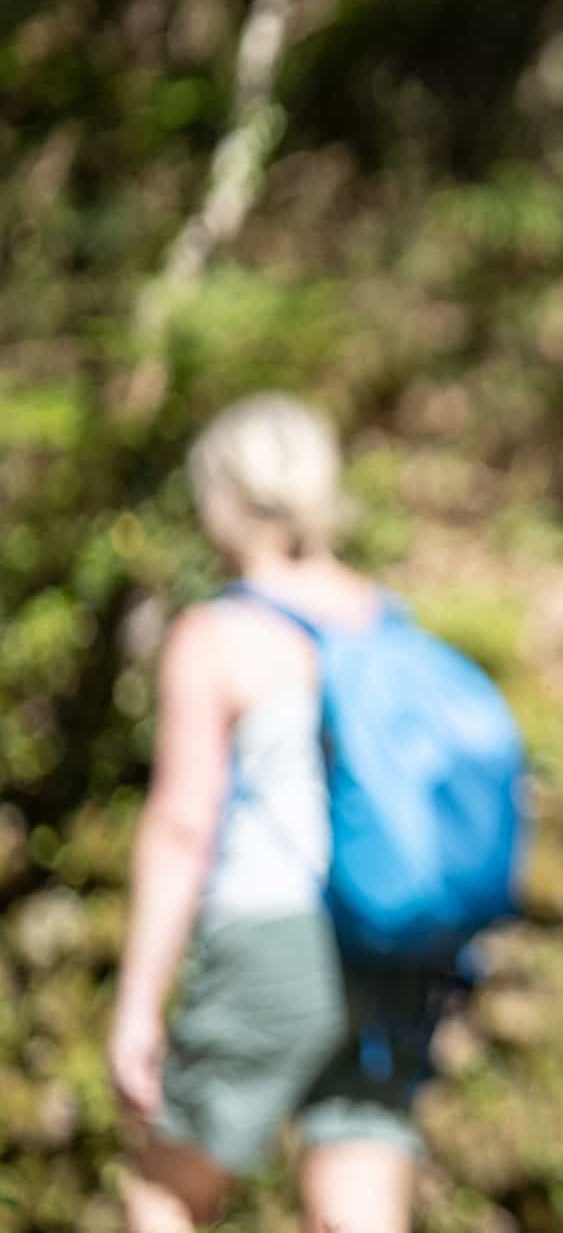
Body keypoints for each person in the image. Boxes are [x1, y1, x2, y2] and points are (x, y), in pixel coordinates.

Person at [108, 395, 427, 1233]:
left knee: (165, 1191)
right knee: (358, 1203)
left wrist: (139, 1003)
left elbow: (183, 825)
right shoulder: (386, 620)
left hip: (271, 934)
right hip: (389, 939)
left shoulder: (218, 633)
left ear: (221, 495)